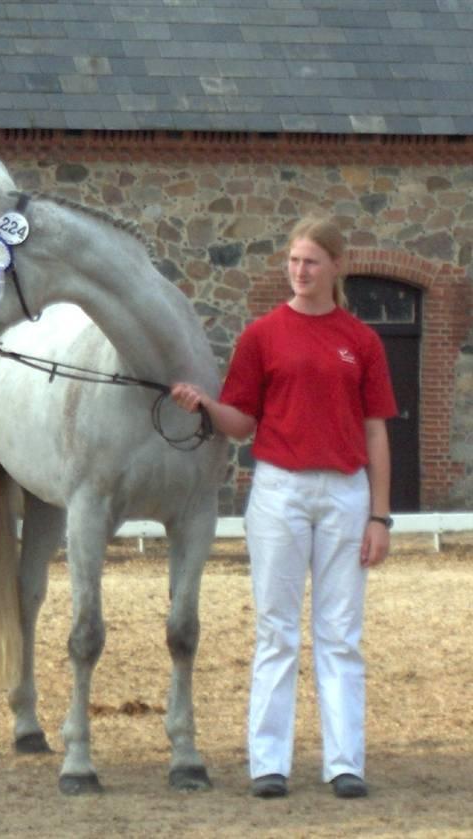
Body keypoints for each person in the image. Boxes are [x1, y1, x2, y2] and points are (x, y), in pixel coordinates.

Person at [171, 217, 397, 799]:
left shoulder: (362, 341)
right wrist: (205, 406)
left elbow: (376, 433)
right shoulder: (262, 336)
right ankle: (268, 763)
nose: (300, 271)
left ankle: (345, 762)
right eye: (294, 261)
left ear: (335, 266)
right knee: (277, 632)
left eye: (311, 262)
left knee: (340, 633)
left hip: (346, 494)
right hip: (279, 492)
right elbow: (242, 422)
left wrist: (380, 515)